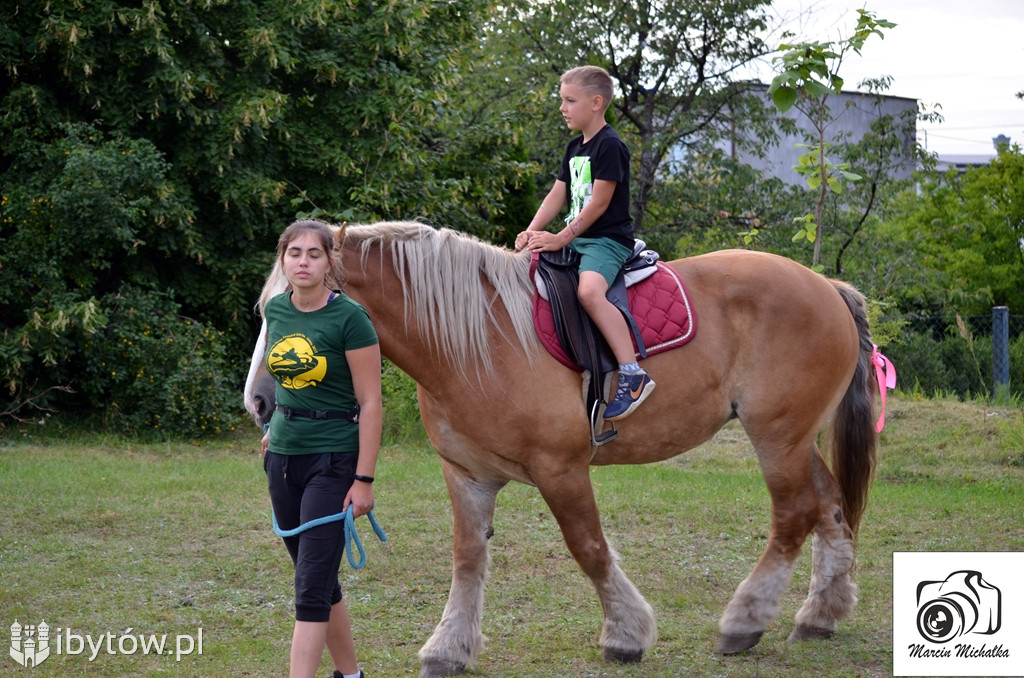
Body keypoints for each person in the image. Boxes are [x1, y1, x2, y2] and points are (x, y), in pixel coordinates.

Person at [260, 219, 382, 678]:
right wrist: (276, 425)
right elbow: (282, 379)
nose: (304, 262)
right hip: (283, 460)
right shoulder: (276, 310)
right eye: (295, 253)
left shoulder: (350, 317)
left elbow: (370, 402)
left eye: (314, 253)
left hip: (334, 461)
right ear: (283, 259)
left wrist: (364, 480)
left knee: (309, 586)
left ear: (330, 261)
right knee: (319, 577)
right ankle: (351, 675)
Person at [515, 65, 654, 421]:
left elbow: (599, 203)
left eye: (569, 100)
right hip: (577, 241)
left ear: (595, 103)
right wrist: (532, 231)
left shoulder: (611, 146)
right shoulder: (575, 146)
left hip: (605, 242)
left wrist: (560, 237)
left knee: (589, 292)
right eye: (562, 100)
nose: (562, 108)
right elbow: (557, 194)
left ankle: (633, 374)